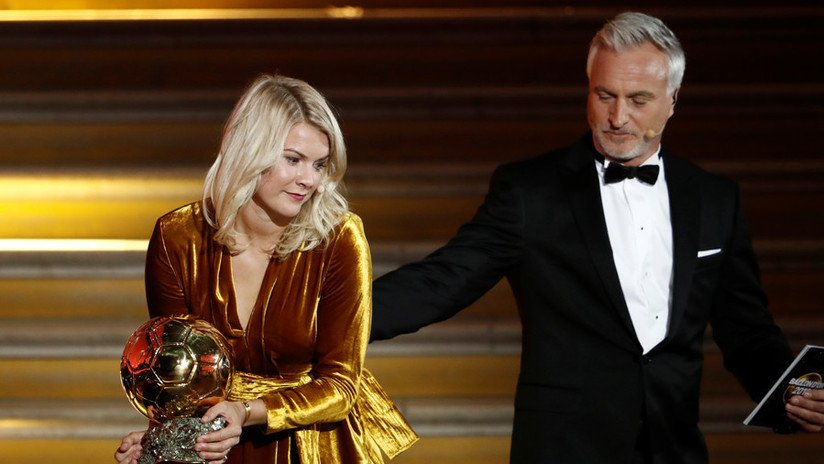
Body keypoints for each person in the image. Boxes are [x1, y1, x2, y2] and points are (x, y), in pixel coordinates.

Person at [370, 11, 824, 464]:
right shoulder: (530, 191)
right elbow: (441, 281)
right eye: (604, 95)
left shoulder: (714, 199)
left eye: (638, 99)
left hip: (673, 449)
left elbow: (746, 328)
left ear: (673, 99)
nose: (617, 117)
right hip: (564, 450)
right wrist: (318, 318)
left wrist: (792, 395)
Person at [115, 74, 417, 464]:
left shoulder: (339, 238)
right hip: (218, 441)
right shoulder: (178, 237)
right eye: (292, 159)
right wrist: (156, 445)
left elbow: (341, 386)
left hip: (307, 443)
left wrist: (248, 410)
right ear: (250, 151)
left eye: (320, 164)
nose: (309, 180)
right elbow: (177, 377)